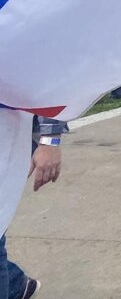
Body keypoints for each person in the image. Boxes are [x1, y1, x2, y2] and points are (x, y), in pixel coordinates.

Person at [1, 116, 66, 299]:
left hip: (11, 130)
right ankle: (15, 285)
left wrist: (50, 140)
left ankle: (15, 285)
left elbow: (50, 88)